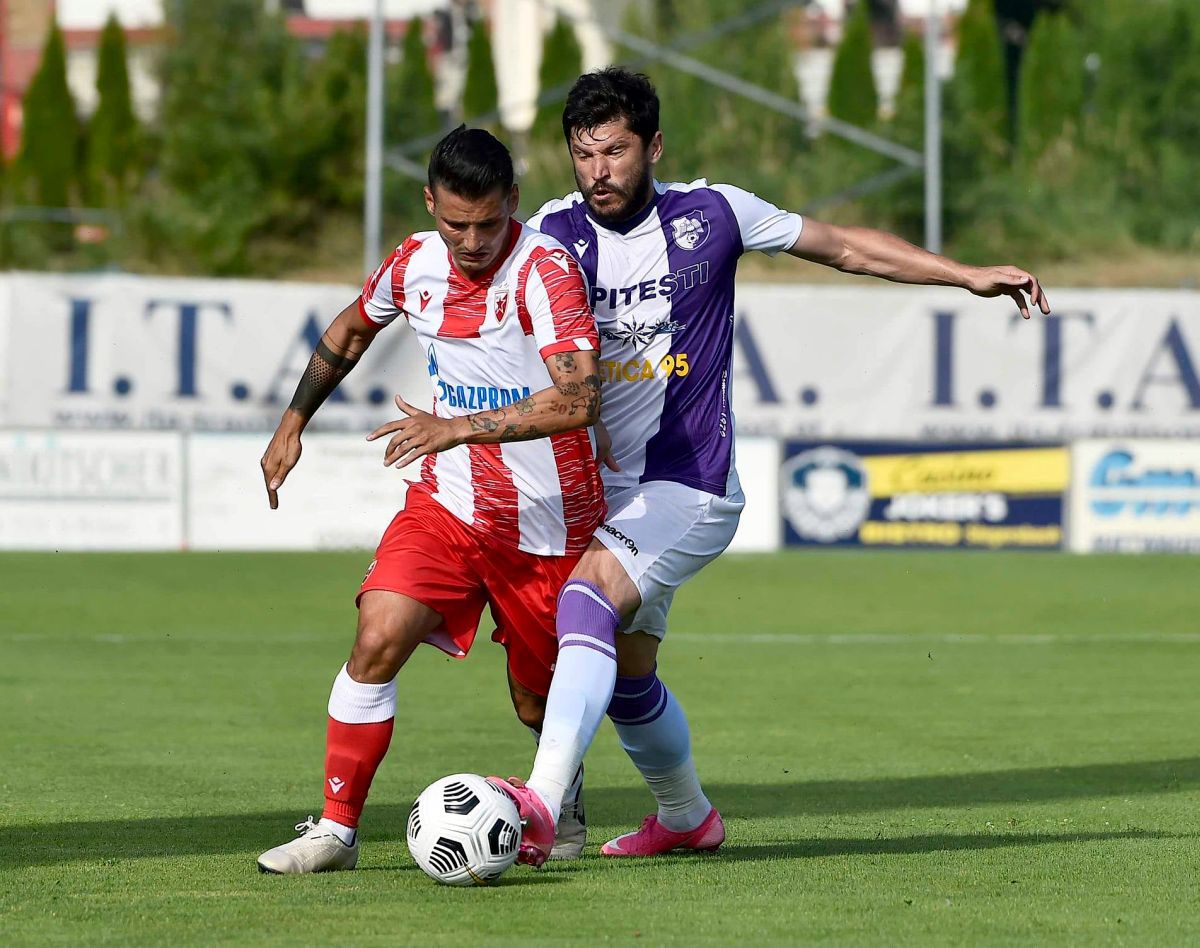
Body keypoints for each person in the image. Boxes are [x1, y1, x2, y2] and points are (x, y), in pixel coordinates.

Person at [494, 67, 1052, 861]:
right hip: (601, 496)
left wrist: (964, 274)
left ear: (653, 146)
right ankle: (687, 819)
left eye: (614, 151)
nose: (598, 172)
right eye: (582, 155)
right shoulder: (551, 235)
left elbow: (848, 246)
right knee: (625, 679)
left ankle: (541, 809)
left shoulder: (714, 213)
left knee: (584, 603)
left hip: (690, 482)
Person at [255, 126, 606, 874]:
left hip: (549, 526)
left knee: (535, 707)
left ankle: (560, 793)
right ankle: (336, 830)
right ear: (430, 205)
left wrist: (456, 427)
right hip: (447, 508)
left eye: (488, 222)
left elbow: (580, 400)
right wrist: (291, 424)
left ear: (513, 201)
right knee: (377, 635)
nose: (472, 240)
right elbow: (350, 332)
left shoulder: (547, 271)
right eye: (456, 224)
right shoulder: (412, 261)